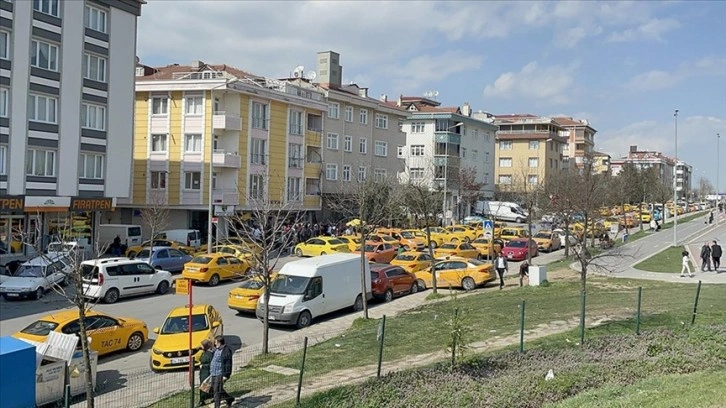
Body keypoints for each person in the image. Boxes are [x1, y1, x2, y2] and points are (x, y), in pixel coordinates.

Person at [210, 335, 234, 408]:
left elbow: (228, 363)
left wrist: (225, 375)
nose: (214, 343)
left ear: (219, 342)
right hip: (213, 373)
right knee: (216, 389)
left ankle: (217, 406)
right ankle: (229, 399)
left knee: (217, 392)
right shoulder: (216, 350)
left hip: (220, 373)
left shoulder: (226, 351)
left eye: (216, 342)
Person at [198, 339, 213, 406]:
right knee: (203, 385)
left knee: (205, 385)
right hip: (203, 371)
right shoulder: (204, 353)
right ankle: (203, 399)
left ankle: (203, 399)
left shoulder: (209, 354)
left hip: (206, 371)